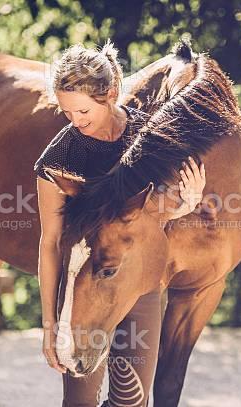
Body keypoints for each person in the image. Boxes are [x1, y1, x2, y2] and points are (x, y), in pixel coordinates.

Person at [34, 40, 206, 406]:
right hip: (84, 289)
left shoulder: (151, 139)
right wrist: (50, 325)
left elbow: (143, 220)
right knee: (79, 401)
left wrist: (183, 205)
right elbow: (50, 243)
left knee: (133, 401)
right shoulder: (58, 157)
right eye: (67, 113)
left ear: (111, 94)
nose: (75, 122)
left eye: (83, 111)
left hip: (137, 286)